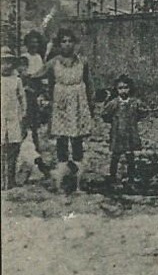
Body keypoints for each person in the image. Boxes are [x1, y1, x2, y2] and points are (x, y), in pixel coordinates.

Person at [43, 28, 96, 176]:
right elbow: (47, 80)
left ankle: (78, 171)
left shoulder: (82, 62)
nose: (67, 44)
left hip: (78, 100)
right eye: (63, 41)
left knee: (77, 136)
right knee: (61, 136)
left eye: (70, 41)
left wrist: (91, 103)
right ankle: (62, 171)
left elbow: (89, 82)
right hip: (60, 102)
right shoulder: (54, 62)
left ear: (75, 43)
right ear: (59, 44)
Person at [102, 74, 146, 186]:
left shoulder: (135, 102)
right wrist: (112, 121)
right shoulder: (114, 103)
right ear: (116, 90)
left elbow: (144, 111)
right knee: (115, 155)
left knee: (130, 155)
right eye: (120, 88)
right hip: (117, 133)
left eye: (126, 87)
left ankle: (131, 178)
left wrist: (135, 119)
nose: (123, 91)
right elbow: (105, 114)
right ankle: (112, 176)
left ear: (130, 88)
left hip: (130, 132)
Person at [1, 47, 26, 189]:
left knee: (13, 150)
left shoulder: (16, 80)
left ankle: (10, 179)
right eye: (3, 62)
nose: (7, 66)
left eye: (9, 62)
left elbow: (22, 99)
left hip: (13, 118)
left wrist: (23, 114)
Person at [21, 30, 50, 154]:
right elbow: (22, 75)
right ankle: (24, 144)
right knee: (27, 118)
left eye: (36, 43)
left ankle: (36, 144)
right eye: (31, 43)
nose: (34, 45)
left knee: (36, 120)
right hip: (28, 89)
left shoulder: (38, 57)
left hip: (37, 89)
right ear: (27, 44)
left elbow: (42, 73)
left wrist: (43, 88)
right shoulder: (24, 57)